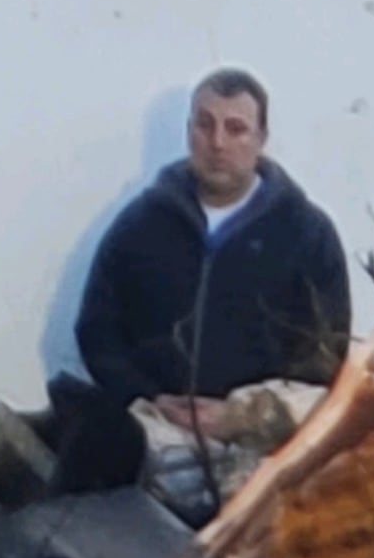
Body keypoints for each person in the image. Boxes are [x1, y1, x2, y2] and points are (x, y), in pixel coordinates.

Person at [73, 67, 351, 410]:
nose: (218, 143)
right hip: (151, 425)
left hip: (258, 441)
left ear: (262, 140)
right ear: (189, 131)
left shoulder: (307, 234)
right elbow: (96, 331)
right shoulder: (141, 225)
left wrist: (243, 415)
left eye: (236, 129)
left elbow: (324, 357)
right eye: (205, 125)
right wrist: (147, 396)